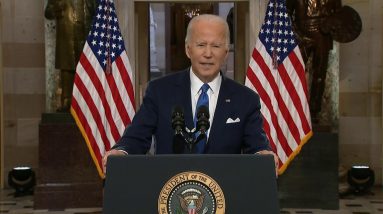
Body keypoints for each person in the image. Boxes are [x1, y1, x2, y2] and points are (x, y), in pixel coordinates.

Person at [102, 14, 278, 175]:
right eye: (201, 45)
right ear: (188, 50)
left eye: (216, 46)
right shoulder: (159, 91)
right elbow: (137, 137)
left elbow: (257, 145)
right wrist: (121, 151)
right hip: (169, 190)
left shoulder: (246, 99)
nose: (208, 54)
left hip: (223, 193)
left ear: (225, 53)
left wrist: (263, 154)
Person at [286, 0, 342, 122]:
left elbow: (339, 14)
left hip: (323, 34)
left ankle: (314, 111)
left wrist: (330, 23)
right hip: (301, 33)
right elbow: (287, 13)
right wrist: (295, 33)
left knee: (320, 75)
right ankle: (293, 108)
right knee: (294, 72)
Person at [45, 0, 96, 111]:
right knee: (67, 69)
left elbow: (95, 10)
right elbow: (48, 13)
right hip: (66, 38)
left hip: (84, 35)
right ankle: (67, 101)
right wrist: (57, 8)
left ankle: (84, 102)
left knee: (84, 69)